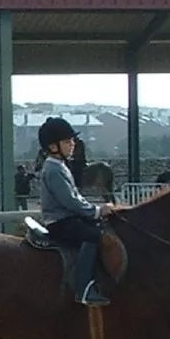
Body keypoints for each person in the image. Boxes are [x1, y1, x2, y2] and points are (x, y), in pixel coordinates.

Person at [37, 117, 114, 307]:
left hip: (68, 217)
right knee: (93, 236)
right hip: (60, 221)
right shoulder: (53, 169)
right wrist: (97, 211)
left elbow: (76, 197)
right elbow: (70, 201)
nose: (72, 145)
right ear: (53, 147)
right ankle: (84, 288)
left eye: (72, 141)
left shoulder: (60, 165)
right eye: (67, 142)